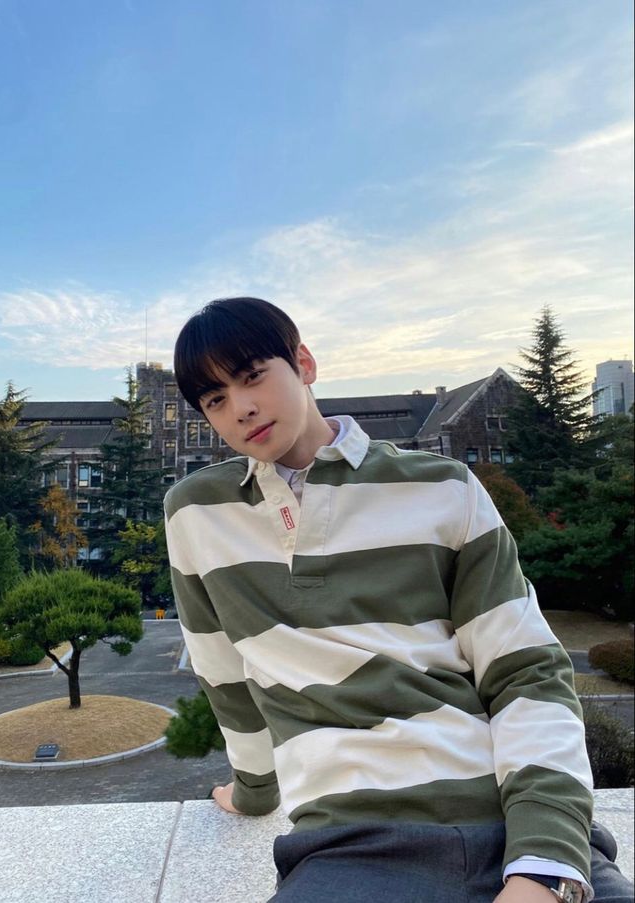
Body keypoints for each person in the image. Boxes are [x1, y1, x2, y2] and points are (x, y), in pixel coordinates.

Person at [164, 297, 633, 903]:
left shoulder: (443, 487)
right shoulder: (199, 513)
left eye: (253, 376)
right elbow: (225, 674)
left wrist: (544, 866)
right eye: (215, 400)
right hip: (352, 846)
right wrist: (253, 790)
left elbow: (527, 671)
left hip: (515, 819)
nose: (241, 408)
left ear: (303, 363)